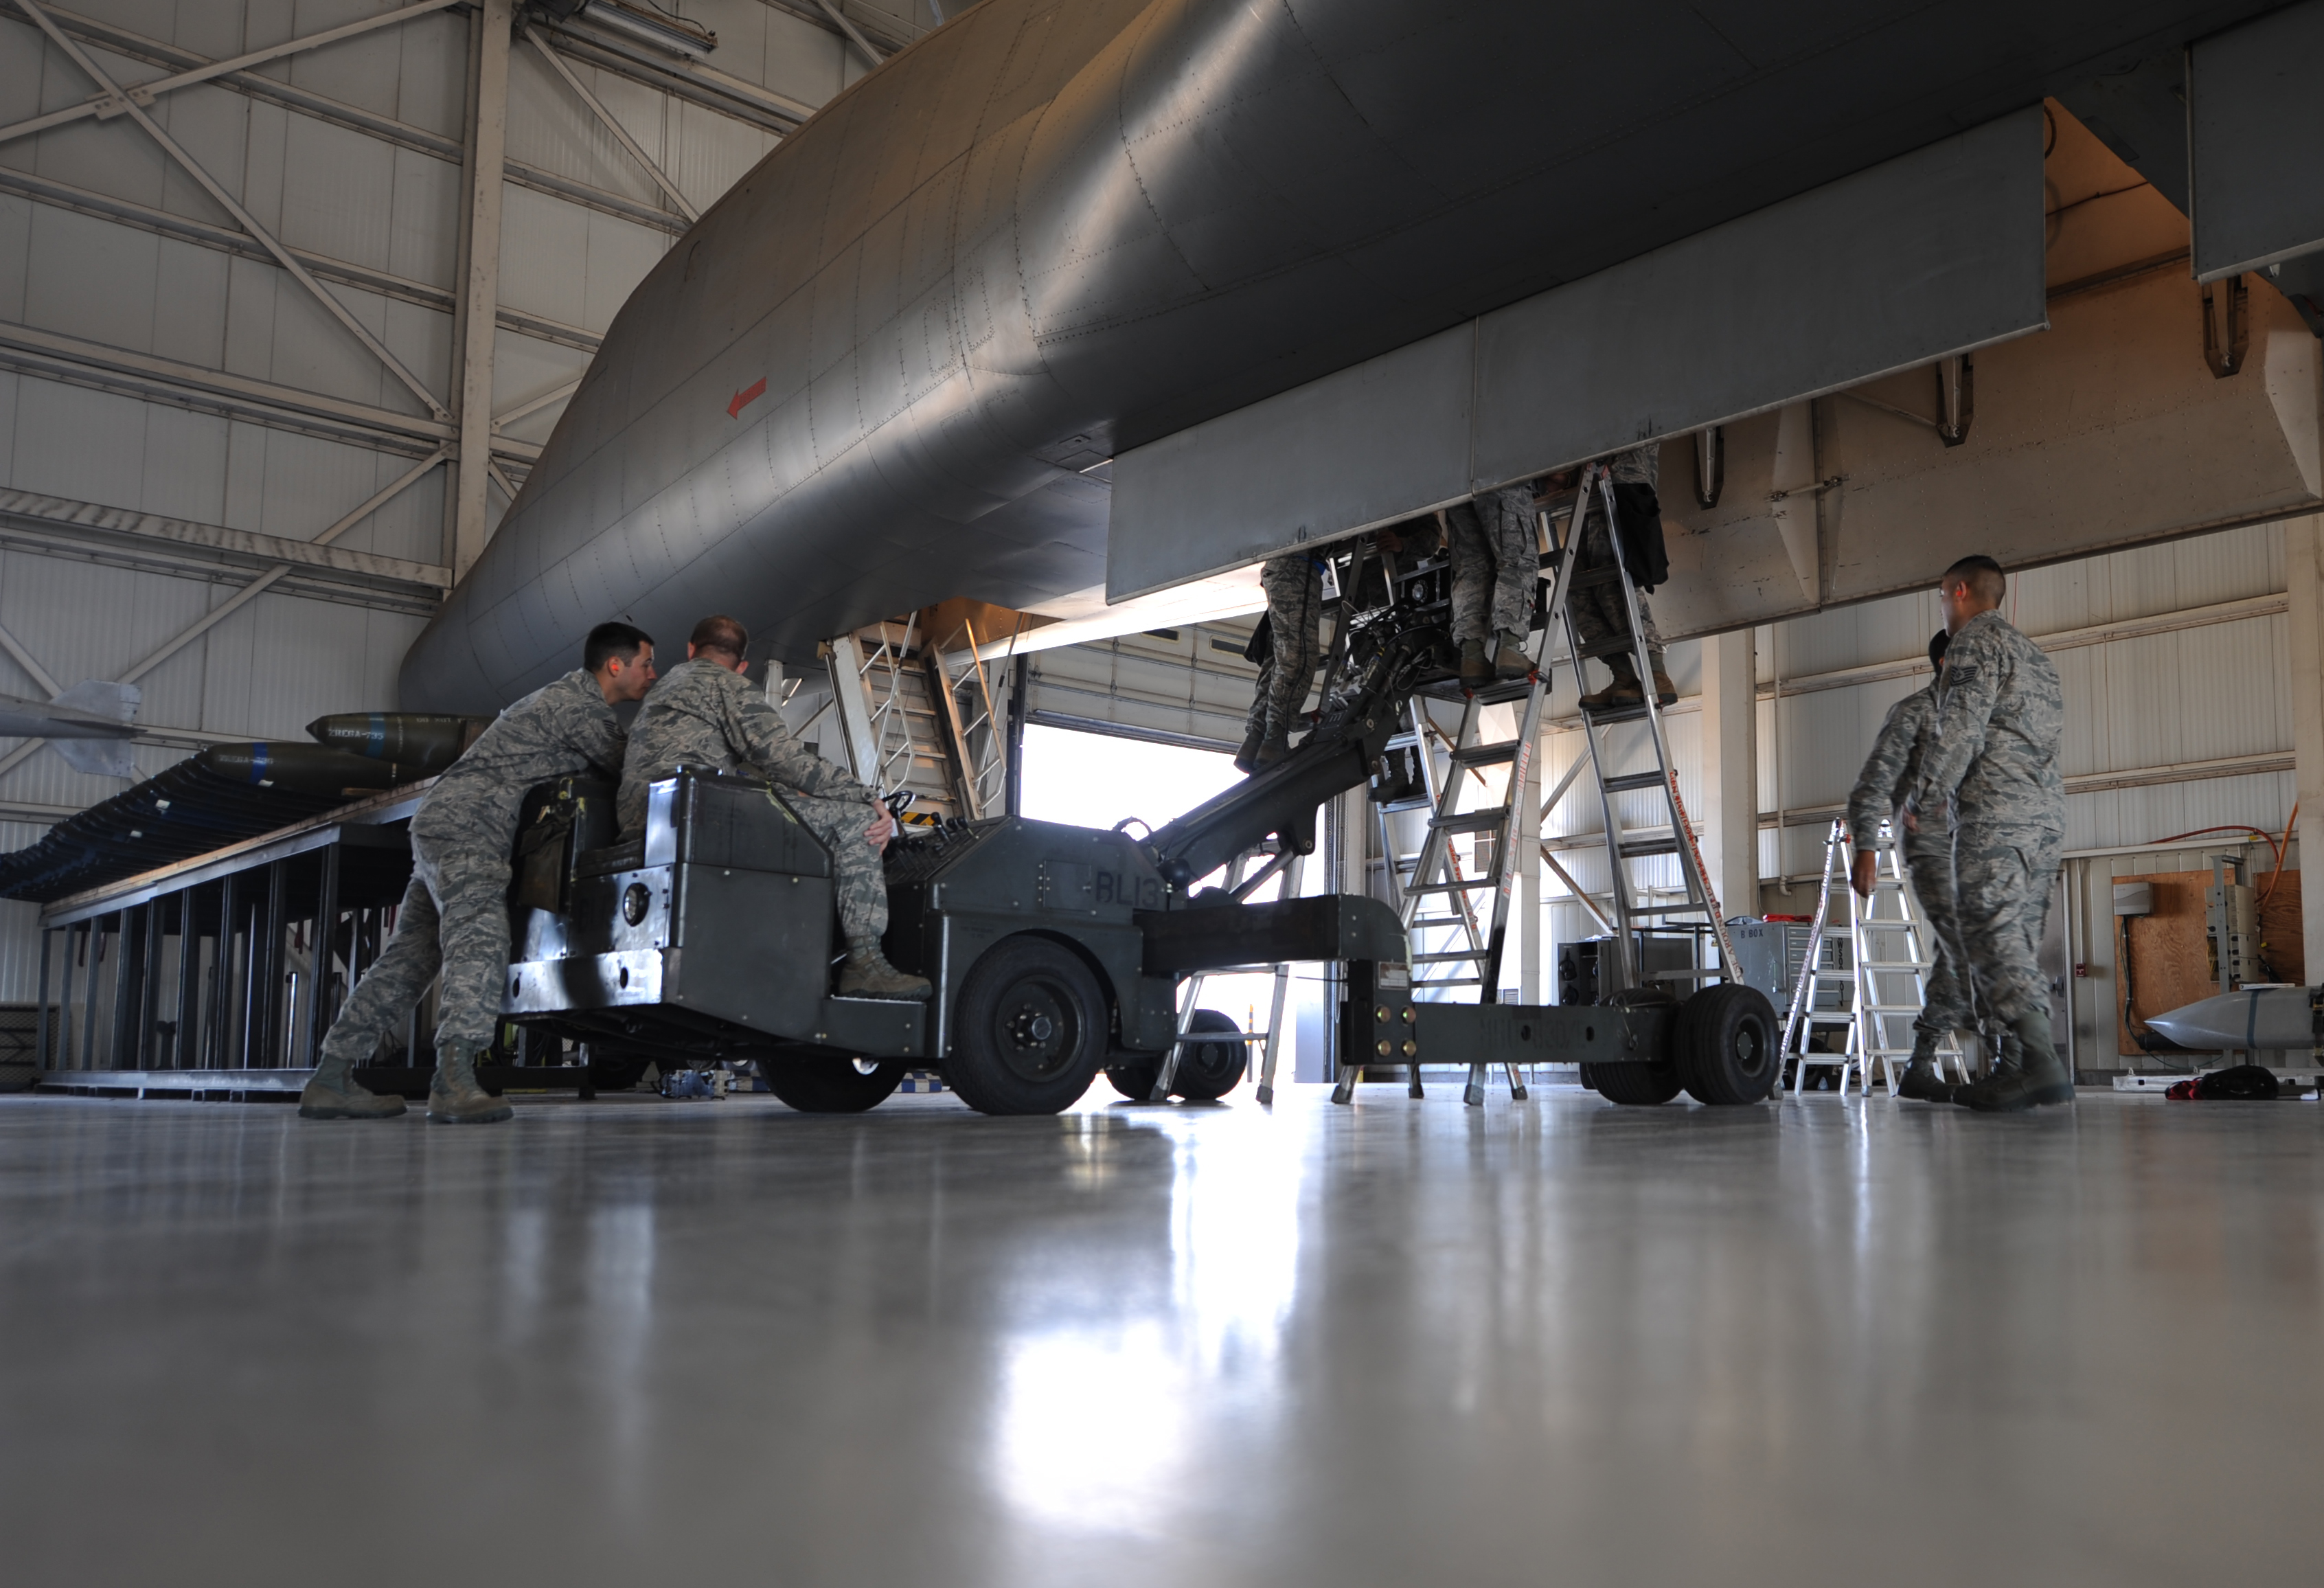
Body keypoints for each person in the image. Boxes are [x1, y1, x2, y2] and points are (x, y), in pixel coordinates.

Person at [299, 622, 657, 1124]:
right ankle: (454, 1082)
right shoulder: (578, 708)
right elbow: (632, 771)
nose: (651, 675)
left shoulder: (554, 698)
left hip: (443, 822)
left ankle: (330, 1078)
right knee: (481, 942)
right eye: (646, 663)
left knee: (410, 959)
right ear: (615, 665)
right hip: (473, 828)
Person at [617, 615, 929, 1001]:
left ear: (691, 649)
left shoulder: (663, 688)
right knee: (857, 822)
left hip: (645, 820)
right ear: (743, 665)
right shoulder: (728, 686)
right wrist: (866, 796)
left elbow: (738, 765)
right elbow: (784, 759)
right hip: (698, 819)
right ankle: (865, 964)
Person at [1909, 554, 2069, 1112]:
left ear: (1958, 590)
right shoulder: (2037, 658)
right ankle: (2015, 1068)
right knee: (2015, 941)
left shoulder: (1975, 642)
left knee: (1988, 933)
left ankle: (2042, 1063)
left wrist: (1925, 796)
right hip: (2043, 819)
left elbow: (1960, 728)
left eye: (1941, 597)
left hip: (1994, 814)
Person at [1847, 630, 1970, 1102]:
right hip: (1932, 849)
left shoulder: (1980, 717)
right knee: (1966, 940)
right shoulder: (1914, 713)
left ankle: (1921, 1065)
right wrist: (1867, 848)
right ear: (1945, 662)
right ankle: (2003, 1053)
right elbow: (1874, 784)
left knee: (1970, 948)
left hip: (1978, 852)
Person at [1567, 444, 1675, 711]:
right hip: (1592, 485)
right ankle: (1624, 677)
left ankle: (1656, 675)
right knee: (1580, 589)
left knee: (1613, 582)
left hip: (1622, 478)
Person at [1235, 549, 1325, 773]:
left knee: (1278, 656)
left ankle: (1256, 738)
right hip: (1298, 567)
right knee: (1297, 656)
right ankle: (1274, 738)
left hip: (1285, 567)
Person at [1445, 484, 1540, 686]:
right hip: (1501, 473)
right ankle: (1510, 647)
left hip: (1454, 484)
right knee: (1517, 560)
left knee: (1472, 568)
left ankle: (1472, 657)